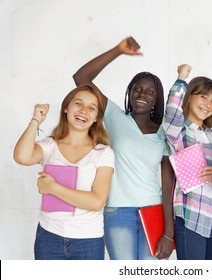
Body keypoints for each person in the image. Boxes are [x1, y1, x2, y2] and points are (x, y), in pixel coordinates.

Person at [73, 37, 174, 260]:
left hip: (154, 211)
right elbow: (81, 77)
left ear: (157, 98)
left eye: (149, 92)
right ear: (129, 92)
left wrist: (169, 233)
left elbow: (168, 188)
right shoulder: (114, 116)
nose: (142, 95)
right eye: (137, 89)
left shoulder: (164, 131)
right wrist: (118, 50)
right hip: (118, 212)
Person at [13, 83, 115, 260]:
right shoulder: (49, 146)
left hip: (88, 241)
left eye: (91, 108)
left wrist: (53, 188)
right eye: (78, 103)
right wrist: (36, 120)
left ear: (96, 118)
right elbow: (22, 157)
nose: (83, 110)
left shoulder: (103, 153)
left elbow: (97, 202)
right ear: (66, 108)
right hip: (49, 237)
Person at [162, 64, 212, 260]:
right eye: (203, 97)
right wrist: (181, 79)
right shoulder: (178, 131)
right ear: (189, 97)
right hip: (190, 217)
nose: (208, 104)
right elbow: (171, 113)